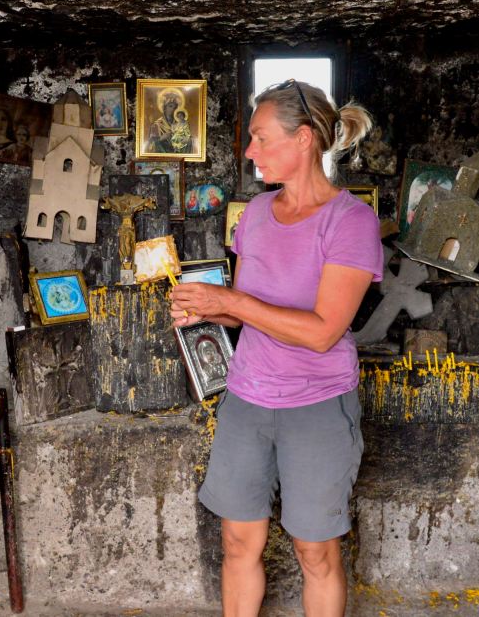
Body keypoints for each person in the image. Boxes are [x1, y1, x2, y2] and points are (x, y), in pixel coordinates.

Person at [169, 79, 382, 617]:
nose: (250, 151)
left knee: (315, 552)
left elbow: (322, 331)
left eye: (261, 138)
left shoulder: (351, 221)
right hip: (247, 399)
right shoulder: (257, 214)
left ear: (304, 138)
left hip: (317, 405)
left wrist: (231, 302)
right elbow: (246, 310)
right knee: (238, 542)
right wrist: (206, 309)